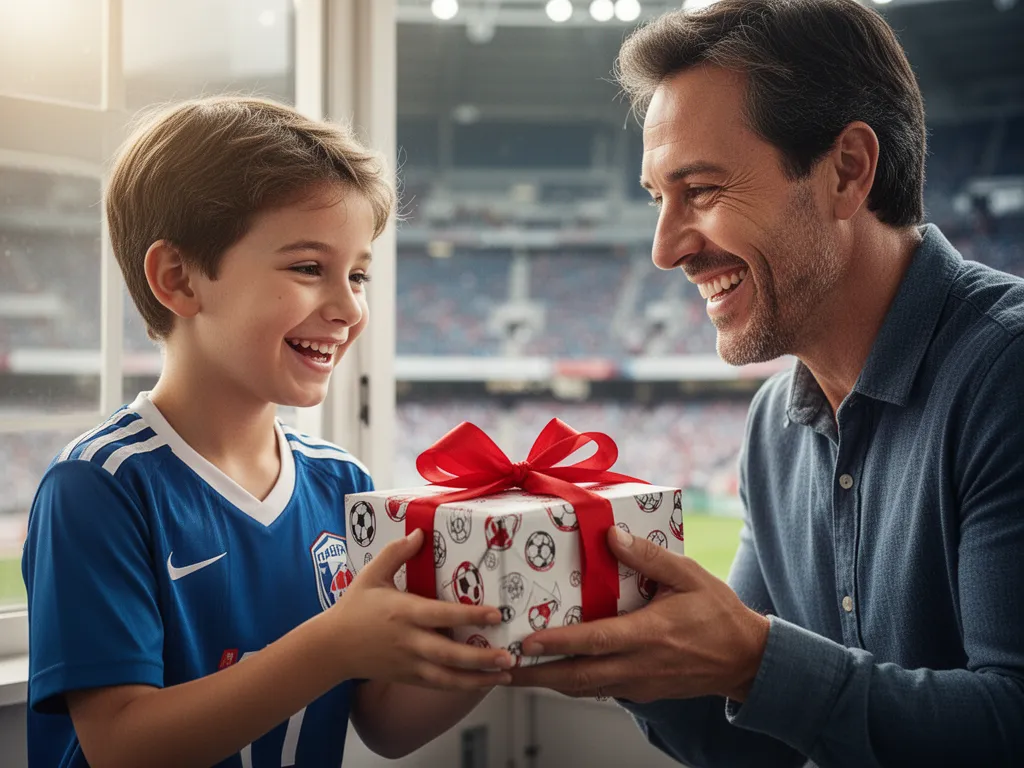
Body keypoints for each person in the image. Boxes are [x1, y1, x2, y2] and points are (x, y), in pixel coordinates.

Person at [508, 1, 1024, 766]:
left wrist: (755, 660)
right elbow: (764, 746)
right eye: (659, 199)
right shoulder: (773, 424)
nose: (664, 249)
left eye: (703, 191)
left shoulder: (1005, 374)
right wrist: (618, 647)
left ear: (848, 170)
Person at [21, 96, 513, 768]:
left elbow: (384, 723)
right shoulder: (99, 487)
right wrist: (333, 643)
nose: (348, 308)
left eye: (359, 274)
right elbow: (123, 745)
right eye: (309, 268)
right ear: (179, 278)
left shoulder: (342, 481)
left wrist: (507, 638)